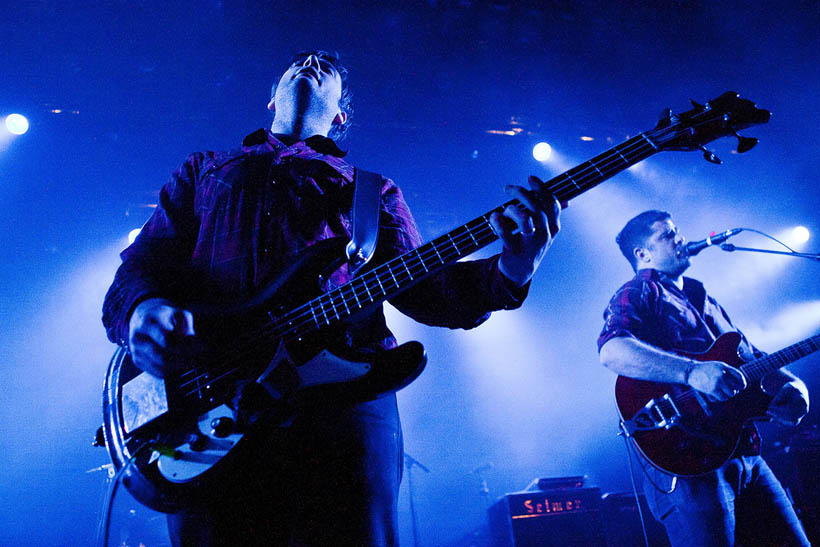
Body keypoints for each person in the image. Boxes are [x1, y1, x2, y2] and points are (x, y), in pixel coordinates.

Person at [102, 50, 561, 546]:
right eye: (299, 61)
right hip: (212, 400)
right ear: (272, 96)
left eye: (328, 69)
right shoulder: (206, 170)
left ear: (340, 114)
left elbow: (429, 291)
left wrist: (513, 267)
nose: (313, 59)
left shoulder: (371, 191)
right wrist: (142, 309)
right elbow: (141, 265)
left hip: (343, 404)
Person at [597, 210, 811, 546]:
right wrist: (692, 372)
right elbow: (612, 351)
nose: (680, 238)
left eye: (678, 230)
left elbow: (754, 357)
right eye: (668, 234)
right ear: (642, 253)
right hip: (687, 458)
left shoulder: (703, 296)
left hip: (744, 452)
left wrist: (796, 386)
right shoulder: (639, 291)